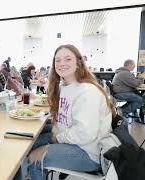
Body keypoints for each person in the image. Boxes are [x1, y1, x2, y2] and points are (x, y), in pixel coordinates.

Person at [27, 44, 114, 180]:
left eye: (68, 59)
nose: (62, 64)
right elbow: (63, 118)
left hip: (89, 152)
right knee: (31, 142)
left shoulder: (87, 91)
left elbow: (85, 134)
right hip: (75, 141)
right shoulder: (65, 87)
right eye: (58, 60)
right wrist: (55, 131)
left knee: (34, 158)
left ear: (78, 63)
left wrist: (58, 137)